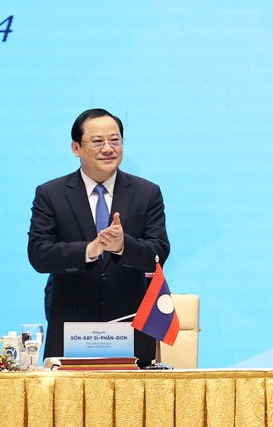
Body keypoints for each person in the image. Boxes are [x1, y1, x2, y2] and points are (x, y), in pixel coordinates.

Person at [28, 108, 170, 365]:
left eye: (115, 140)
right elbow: (39, 255)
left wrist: (123, 245)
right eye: (97, 141)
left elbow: (158, 253)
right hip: (71, 327)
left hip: (130, 324)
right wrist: (88, 251)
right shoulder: (51, 194)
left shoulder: (146, 193)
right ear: (76, 147)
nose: (108, 148)